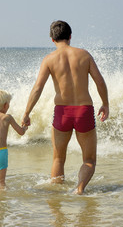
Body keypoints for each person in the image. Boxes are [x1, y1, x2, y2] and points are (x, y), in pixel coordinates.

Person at [22, 20, 109, 194]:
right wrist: (105, 103)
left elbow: (37, 88)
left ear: (52, 39)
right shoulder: (84, 55)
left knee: (58, 159)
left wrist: (27, 113)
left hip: (62, 112)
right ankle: (80, 188)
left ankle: (56, 198)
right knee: (89, 160)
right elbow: (99, 81)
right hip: (84, 111)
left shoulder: (49, 59)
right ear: (70, 36)